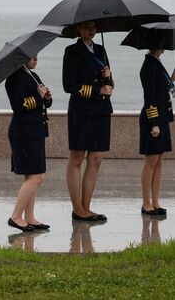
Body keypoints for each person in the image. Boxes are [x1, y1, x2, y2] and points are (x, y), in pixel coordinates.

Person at [62, 20, 113, 222]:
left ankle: (87, 206)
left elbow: (109, 84)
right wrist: (96, 90)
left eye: (93, 27)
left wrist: (108, 78)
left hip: (101, 110)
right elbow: (68, 85)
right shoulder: (71, 51)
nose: (90, 31)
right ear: (78, 29)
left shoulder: (101, 50)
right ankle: (78, 208)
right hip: (81, 111)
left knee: (96, 158)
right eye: (85, 27)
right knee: (76, 158)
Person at [5, 56, 52, 232]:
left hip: (35, 131)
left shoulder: (33, 76)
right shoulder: (14, 78)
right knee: (37, 177)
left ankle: (29, 216)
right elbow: (18, 106)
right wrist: (39, 96)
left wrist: (47, 97)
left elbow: (43, 102)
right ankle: (15, 216)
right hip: (24, 132)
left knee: (31, 176)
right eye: (30, 56)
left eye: (37, 55)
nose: (35, 58)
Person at [138, 48, 175, 216]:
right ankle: (146, 203)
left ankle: (156, 201)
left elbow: (161, 89)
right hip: (153, 119)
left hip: (162, 118)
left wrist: (172, 78)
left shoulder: (156, 63)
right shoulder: (148, 65)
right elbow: (149, 97)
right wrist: (154, 123)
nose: (164, 46)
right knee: (151, 162)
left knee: (159, 162)